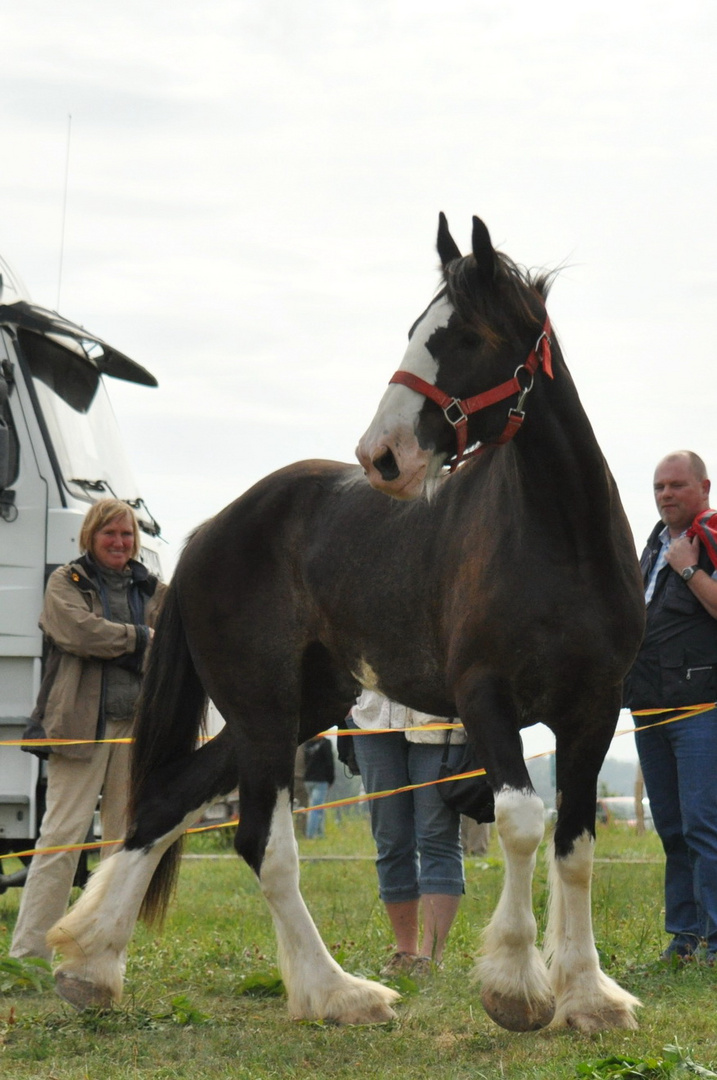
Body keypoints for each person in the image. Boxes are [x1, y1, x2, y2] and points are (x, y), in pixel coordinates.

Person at [10, 499, 166, 961]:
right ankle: (29, 955)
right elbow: (77, 632)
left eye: (126, 535)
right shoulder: (66, 581)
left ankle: (99, 952)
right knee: (61, 838)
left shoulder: (154, 588)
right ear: (89, 537)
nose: (119, 542)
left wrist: (122, 640)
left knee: (123, 843)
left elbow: (174, 641)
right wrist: (141, 639)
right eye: (109, 534)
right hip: (78, 727)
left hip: (136, 727)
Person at [624, 450, 717, 963]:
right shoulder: (651, 545)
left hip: (702, 707)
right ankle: (684, 936)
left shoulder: (710, 537)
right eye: (659, 486)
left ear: (704, 486)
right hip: (650, 707)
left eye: (677, 485)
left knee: (705, 823)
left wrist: (687, 570)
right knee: (673, 827)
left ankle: (716, 941)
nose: (665, 494)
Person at [348, 688, 465, 976]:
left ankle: (431, 957)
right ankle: (405, 952)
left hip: (439, 719)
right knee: (390, 839)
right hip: (373, 718)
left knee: (437, 836)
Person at [302, 735, 335, 839]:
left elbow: (305, 761)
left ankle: (320, 834)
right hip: (321, 780)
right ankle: (311, 835)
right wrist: (330, 779)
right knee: (316, 809)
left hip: (308, 780)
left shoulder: (307, 744)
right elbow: (329, 762)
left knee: (317, 807)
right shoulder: (325, 743)